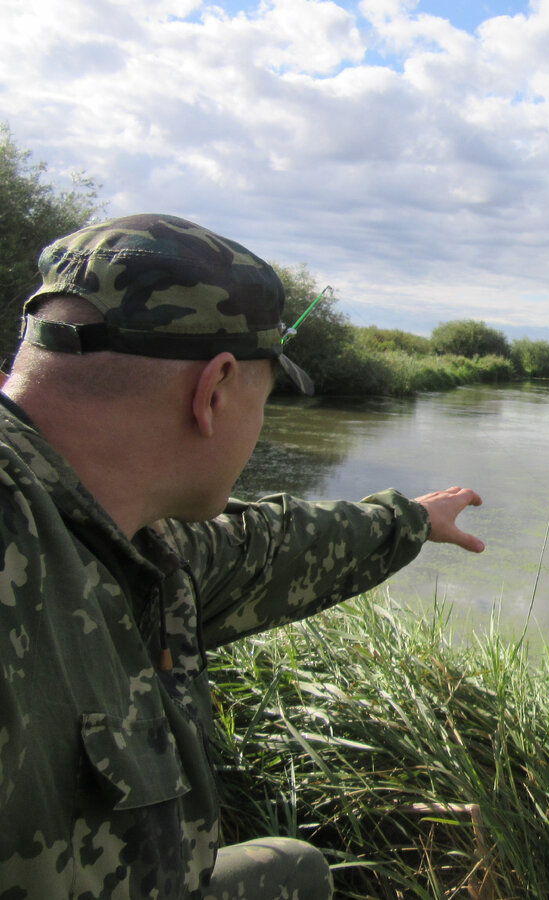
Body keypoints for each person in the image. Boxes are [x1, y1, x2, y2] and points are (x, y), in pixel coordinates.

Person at [0, 213, 485, 899]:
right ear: (215, 391)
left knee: (292, 869)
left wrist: (412, 520)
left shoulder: (122, 533)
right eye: (267, 397)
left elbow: (268, 547)